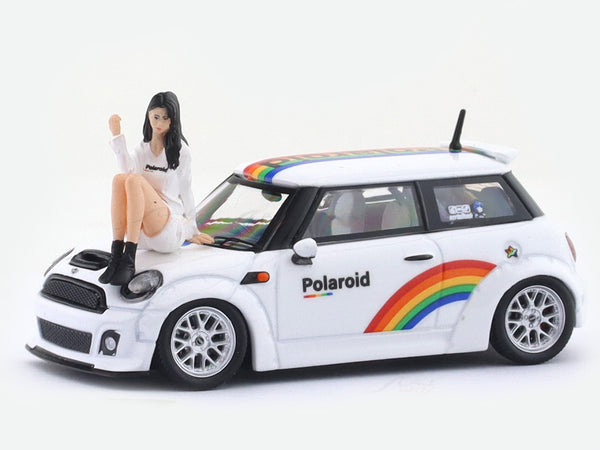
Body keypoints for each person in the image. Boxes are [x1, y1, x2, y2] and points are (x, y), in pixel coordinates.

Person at [99, 91, 214, 286]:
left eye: (165, 118)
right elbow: (126, 169)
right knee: (120, 179)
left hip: (167, 227)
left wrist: (192, 229)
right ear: (149, 115)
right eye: (156, 116)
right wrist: (117, 135)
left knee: (134, 180)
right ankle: (116, 255)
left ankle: (129, 259)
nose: (159, 122)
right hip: (141, 231)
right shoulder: (143, 148)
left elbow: (186, 190)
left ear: (173, 119)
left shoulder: (181, 152)